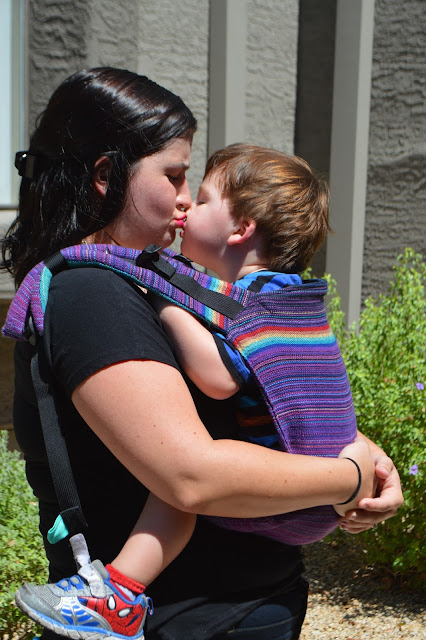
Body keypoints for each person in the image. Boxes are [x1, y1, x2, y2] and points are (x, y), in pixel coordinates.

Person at [1, 68, 403, 640]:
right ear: (105, 175)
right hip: (193, 613)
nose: (185, 199)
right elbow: (190, 476)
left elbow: (266, 395)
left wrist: (364, 458)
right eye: (174, 175)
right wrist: (346, 476)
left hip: (208, 615)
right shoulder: (91, 292)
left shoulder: (166, 282)